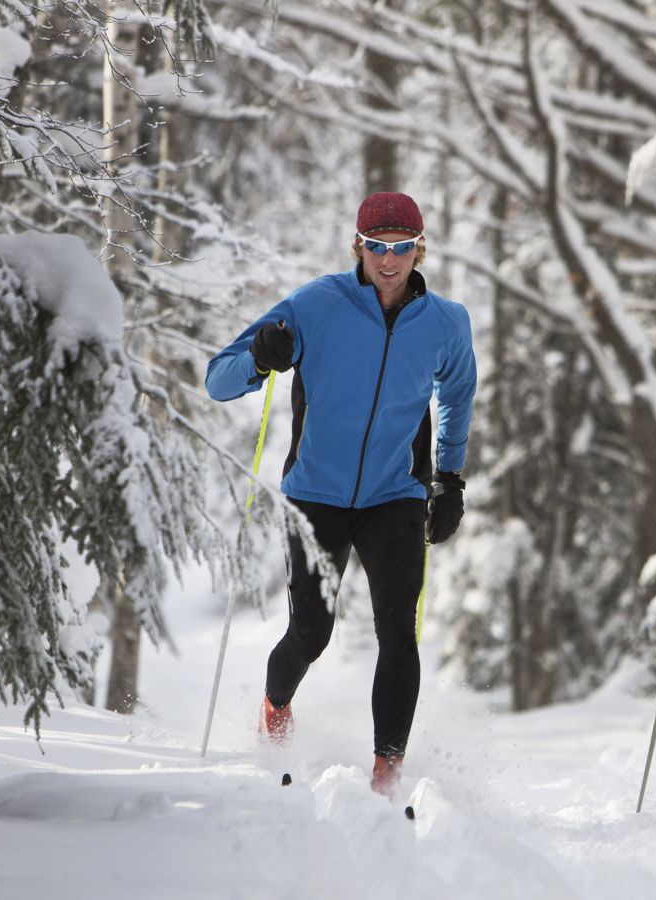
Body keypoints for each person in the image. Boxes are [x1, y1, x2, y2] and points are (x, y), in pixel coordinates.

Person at [205, 192, 477, 797]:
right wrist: (259, 356)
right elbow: (217, 380)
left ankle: (388, 771)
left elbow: (457, 396)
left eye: (401, 246)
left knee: (397, 631)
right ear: (359, 246)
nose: (389, 259)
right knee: (312, 631)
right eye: (377, 246)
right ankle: (276, 704)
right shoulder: (316, 304)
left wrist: (449, 479)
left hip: (395, 496)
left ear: (418, 248)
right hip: (315, 496)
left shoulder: (445, 322)